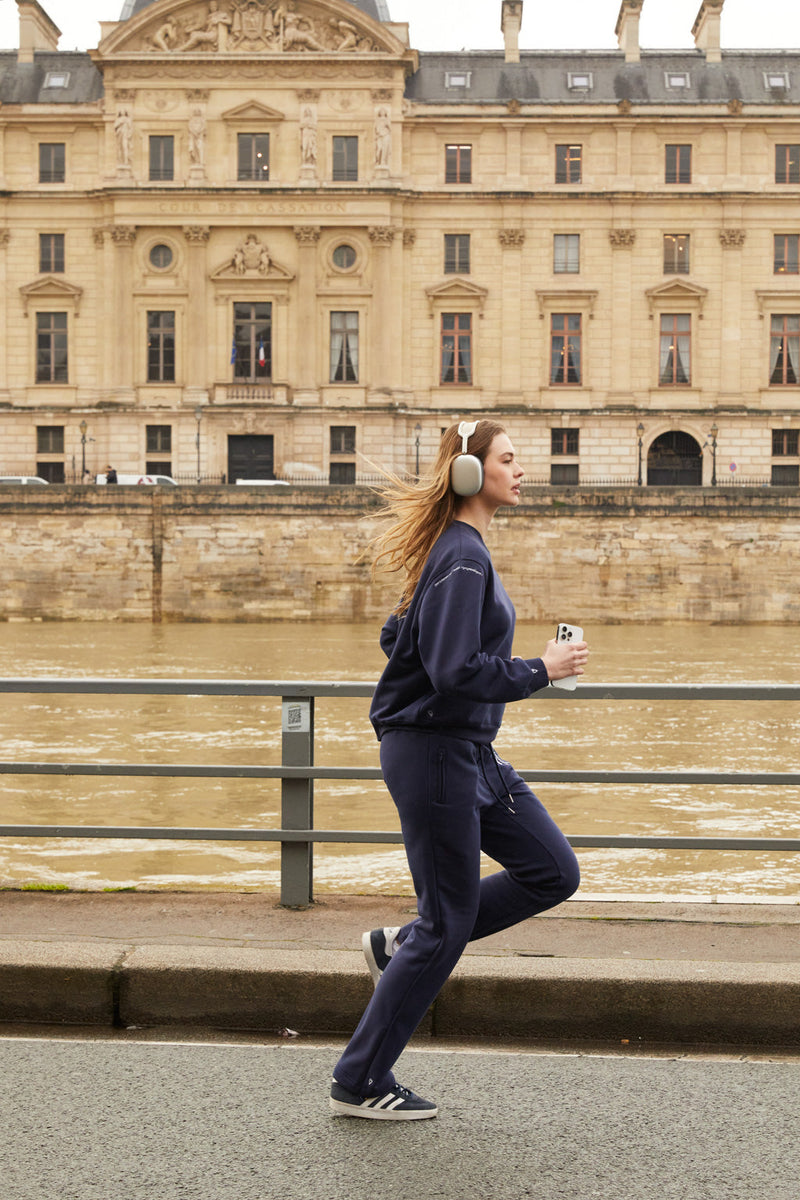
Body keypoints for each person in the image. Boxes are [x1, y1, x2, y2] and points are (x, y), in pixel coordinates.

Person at [329, 418, 588, 1121]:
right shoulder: (465, 557)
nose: (522, 469)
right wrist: (543, 668)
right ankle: (360, 1079)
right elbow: (449, 669)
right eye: (509, 459)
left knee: (552, 871)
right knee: (449, 920)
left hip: (468, 751)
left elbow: (397, 635)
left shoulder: (457, 552)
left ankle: (402, 947)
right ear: (472, 475)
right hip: (434, 749)